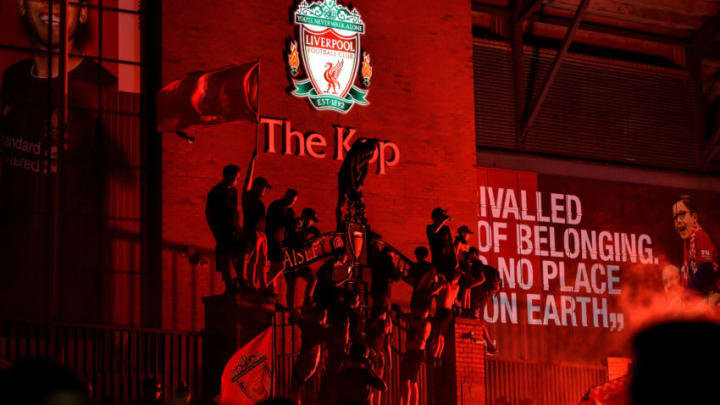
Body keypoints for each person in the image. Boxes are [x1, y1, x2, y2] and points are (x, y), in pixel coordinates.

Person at [0, 0, 125, 321]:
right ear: (22, 7)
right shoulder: (12, 80)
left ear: (82, 13)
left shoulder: (104, 87)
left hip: (70, 290)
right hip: (13, 280)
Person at [206, 164, 245, 292]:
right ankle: (228, 283)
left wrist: (238, 226)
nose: (236, 181)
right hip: (223, 229)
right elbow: (209, 213)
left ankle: (240, 279)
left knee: (239, 254)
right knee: (225, 256)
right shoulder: (216, 192)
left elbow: (234, 208)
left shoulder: (234, 191)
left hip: (234, 228)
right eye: (235, 178)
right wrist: (216, 232)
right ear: (228, 176)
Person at [672, 194, 719, 296]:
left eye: (682, 214)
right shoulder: (687, 243)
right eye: (675, 217)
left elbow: (706, 269)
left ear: (694, 217)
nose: (678, 221)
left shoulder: (699, 235)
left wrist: (686, 293)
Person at [289, 305, 332, 405]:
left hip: (307, 362)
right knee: (304, 390)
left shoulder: (312, 328)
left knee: (297, 387)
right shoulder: (319, 329)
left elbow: (298, 319)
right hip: (312, 363)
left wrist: (292, 311)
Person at [284, 208, 321, 308]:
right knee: (291, 285)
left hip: (301, 262)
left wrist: (313, 243)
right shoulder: (295, 224)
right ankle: (291, 308)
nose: (312, 223)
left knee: (313, 279)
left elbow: (320, 238)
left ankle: (307, 300)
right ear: (305, 217)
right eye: (311, 220)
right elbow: (290, 241)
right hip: (290, 261)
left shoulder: (311, 229)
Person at [395, 306, 432, 405]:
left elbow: (409, 321)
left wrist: (401, 313)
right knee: (411, 380)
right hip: (410, 353)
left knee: (408, 380)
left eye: (424, 312)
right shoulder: (416, 321)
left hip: (416, 354)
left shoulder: (426, 324)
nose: (421, 313)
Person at [365, 306, 392, 405]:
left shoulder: (369, 325)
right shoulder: (384, 326)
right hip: (379, 357)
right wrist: (390, 360)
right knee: (378, 384)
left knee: (372, 386)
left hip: (371, 356)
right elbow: (387, 345)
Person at [242, 149, 271, 234]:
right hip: (250, 236)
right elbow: (248, 180)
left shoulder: (259, 202)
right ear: (256, 186)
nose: (265, 190)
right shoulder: (249, 197)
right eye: (263, 187)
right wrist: (253, 161)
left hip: (260, 236)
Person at [426, 208, 456, 280]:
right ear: (435, 217)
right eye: (440, 216)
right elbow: (434, 231)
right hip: (438, 259)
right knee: (439, 279)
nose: (443, 219)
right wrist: (443, 219)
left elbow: (451, 243)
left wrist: (455, 257)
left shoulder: (446, 228)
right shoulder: (429, 228)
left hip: (449, 258)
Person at [370, 246, 401, 312]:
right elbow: (395, 277)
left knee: (377, 309)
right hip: (384, 290)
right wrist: (399, 270)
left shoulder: (376, 259)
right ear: (390, 253)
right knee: (383, 310)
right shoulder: (388, 261)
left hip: (375, 288)